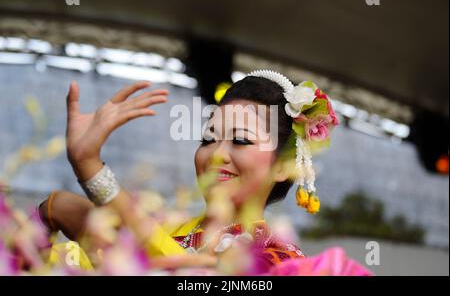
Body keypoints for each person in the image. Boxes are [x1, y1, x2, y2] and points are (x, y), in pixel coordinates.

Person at [37, 70, 339, 271]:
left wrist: (92, 172)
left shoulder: (282, 261)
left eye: (240, 140)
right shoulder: (166, 226)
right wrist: (45, 216)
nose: (217, 154)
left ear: (282, 168)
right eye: (208, 139)